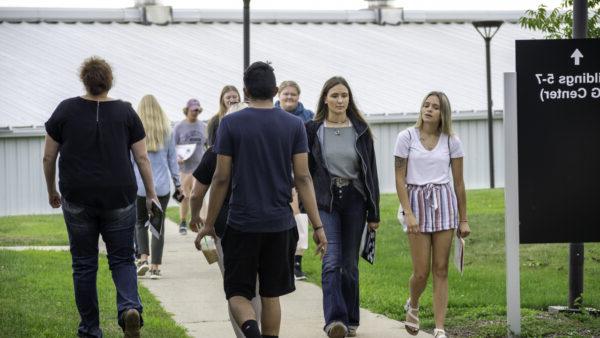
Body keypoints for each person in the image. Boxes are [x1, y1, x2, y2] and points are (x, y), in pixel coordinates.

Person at [194, 61, 328, 338]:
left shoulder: (230, 123)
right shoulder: (294, 125)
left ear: (245, 92)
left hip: (242, 223)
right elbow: (303, 178)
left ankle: (251, 333)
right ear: (276, 90)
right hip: (280, 224)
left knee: (237, 293)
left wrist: (208, 224)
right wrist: (318, 226)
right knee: (271, 294)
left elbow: (220, 178)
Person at [42, 56, 157, 338]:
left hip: (77, 197)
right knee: (122, 259)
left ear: (84, 79)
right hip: (119, 197)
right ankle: (130, 308)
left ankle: (90, 329)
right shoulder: (126, 112)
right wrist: (151, 194)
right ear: (109, 81)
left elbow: (48, 156)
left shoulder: (65, 110)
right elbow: (142, 157)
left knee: (83, 263)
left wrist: (51, 190)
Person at [305, 76, 380, 338]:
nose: (340, 100)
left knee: (349, 264)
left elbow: (371, 173)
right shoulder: (312, 129)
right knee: (331, 261)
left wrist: (374, 212)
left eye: (344, 96)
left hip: (355, 200)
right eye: (335, 95)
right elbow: (306, 173)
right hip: (326, 201)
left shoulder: (360, 130)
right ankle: (334, 321)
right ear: (325, 98)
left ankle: (350, 319)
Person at [393, 91, 471, 338]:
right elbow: (399, 177)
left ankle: (439, 327)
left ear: (442, 113)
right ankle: (413, 305)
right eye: (426, 105)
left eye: (435, 107)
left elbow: (458, 183)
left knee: (441, 268)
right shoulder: (405, 137)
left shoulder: (451, 141)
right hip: (415, 202)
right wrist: (408, 212)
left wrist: (464, 219)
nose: (428, 109)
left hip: (444, 203)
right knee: (421, 271)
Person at [189, 102, 263, 338]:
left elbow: (196, 193)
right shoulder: (265, 150)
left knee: (235, 290)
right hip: (264, 223)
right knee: (259, 289)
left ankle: (246, 334)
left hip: (226, 227)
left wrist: (196, 218)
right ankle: (256, 329)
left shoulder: (215, 153)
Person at [133, 94, 182, 280]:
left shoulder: (135, 131)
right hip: (161, 187)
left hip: (139, 187)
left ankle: (143, 259)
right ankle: (155, 267)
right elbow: (172, 162)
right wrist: (178, 183)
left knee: (140, 222)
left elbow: (131, 161)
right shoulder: (166, 131)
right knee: (157, 226)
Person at [276, 80, 314, 280]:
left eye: (293, 94)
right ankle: (282, 259)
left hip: (300, 171)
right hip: (277, 173)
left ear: (298, 96)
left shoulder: (308, 117)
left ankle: (297, 262)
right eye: (285, 94)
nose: (289, 97)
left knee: (300, 215)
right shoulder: (271, 114)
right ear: (278, 95)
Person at [173, 98, 208, 235]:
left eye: (197, 110)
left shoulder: (203, 126)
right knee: (184, 196)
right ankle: (182, 222)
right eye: (193, 110)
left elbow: (207, 145)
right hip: (184, 168)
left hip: (199, 167)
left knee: (200, 195)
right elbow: (172, 147)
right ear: (187, 110)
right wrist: (177, 158)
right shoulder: (179, 127)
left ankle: (203, 222)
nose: (195, 112)